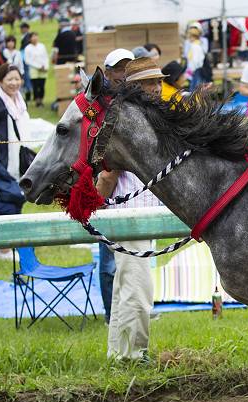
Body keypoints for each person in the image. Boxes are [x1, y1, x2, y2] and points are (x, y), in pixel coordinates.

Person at [96, 58, 165, 361]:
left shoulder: (146, 117)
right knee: (138, 290)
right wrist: (97, 208)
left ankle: (118, 355)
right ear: (135, 87)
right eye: (151, 82)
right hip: (129, 217)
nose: (158, 87)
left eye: (159, 81)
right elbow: (108, 175)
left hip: (142, 216)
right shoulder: (124, 121)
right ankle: (136, 356)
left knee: (126, 288)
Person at [99, 48, 135, 323]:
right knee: (111, 260)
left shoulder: (137, 103)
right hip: (109, 189)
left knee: (134, 260)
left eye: (128, 68)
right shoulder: (98, 105)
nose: (123, 74)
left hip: (134, 191)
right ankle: (113, 314)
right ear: (107, 72)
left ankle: (127, 312)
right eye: (118, 68)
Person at [0, 64, 28, 260]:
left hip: (16, 160)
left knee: (17, 199)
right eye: (9, 79)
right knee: (7, 199)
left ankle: (10, 243)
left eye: (17, 79)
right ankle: (1, 248)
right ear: (0, 81)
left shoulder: (19, 101)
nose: (14, 83)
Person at [24, 32, 48, 107]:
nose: (34, 38)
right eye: (33, 37)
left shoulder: (42, 46)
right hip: (34, 69)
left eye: (36, 36)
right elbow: (27, 60)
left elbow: (45, 56)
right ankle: (37, 101)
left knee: (42, 85)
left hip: (43, 68)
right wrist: (38, 66)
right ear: (30, 38)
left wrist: (46, 66)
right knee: (35, 86)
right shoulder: (28, 48)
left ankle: (41, 100)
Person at [185, 23, 208, 90]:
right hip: (194, 70)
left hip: (195, 70)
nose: (189, 38)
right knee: (195, 86)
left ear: (194, 36)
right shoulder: (197, 45)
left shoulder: (195, 46)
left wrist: (190, 71)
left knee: (194, 88)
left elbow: (196, 61)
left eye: (190, 37)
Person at [19, 22, 33, 101]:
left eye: (22, 28)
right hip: (23, 57)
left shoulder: (28, 37)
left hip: (25, 58)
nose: (21, 29)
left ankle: (28, 92)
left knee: (27, 76)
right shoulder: (25, 36)